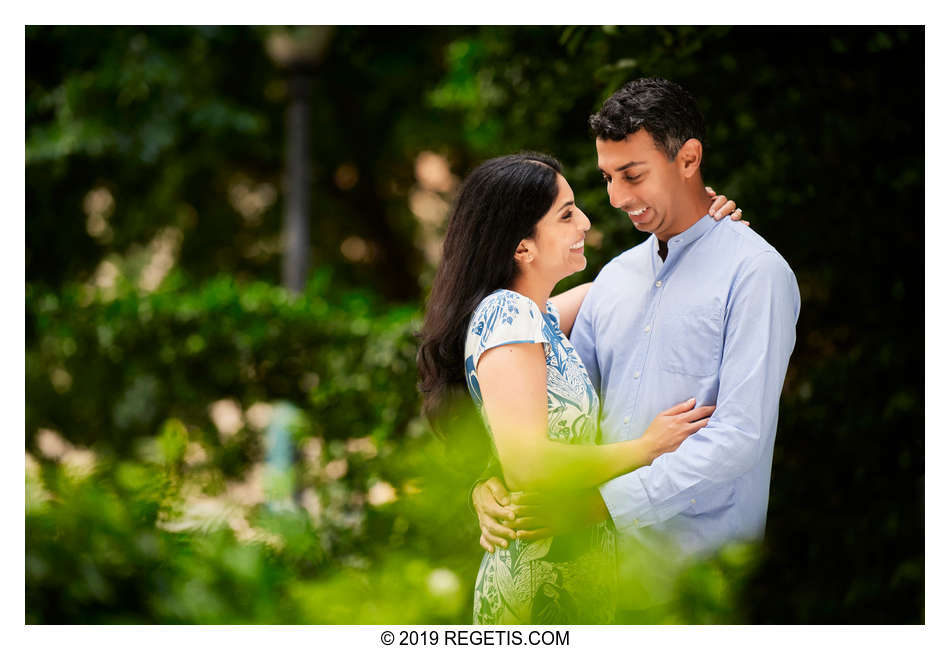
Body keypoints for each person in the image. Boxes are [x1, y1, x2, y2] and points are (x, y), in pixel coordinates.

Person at [472, 78, 801, 610]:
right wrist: (488, 480)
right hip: (596, 579)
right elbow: (560, 407)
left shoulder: (756, 274)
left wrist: (601, 505)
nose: (617, 198)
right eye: (607, 177)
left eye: (633, 175)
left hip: (695, 577)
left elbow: (740, 436)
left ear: (688, 159)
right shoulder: (614, 279)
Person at [417, 151, 743, 624]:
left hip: (575, 573)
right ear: (522, 247)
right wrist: (646, 447)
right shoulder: (509, 315)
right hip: (540, 588)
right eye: (566, 214)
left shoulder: (539, 316)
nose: (586, 223)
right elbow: (529, 464)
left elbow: (645, 279)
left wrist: (702, 223)